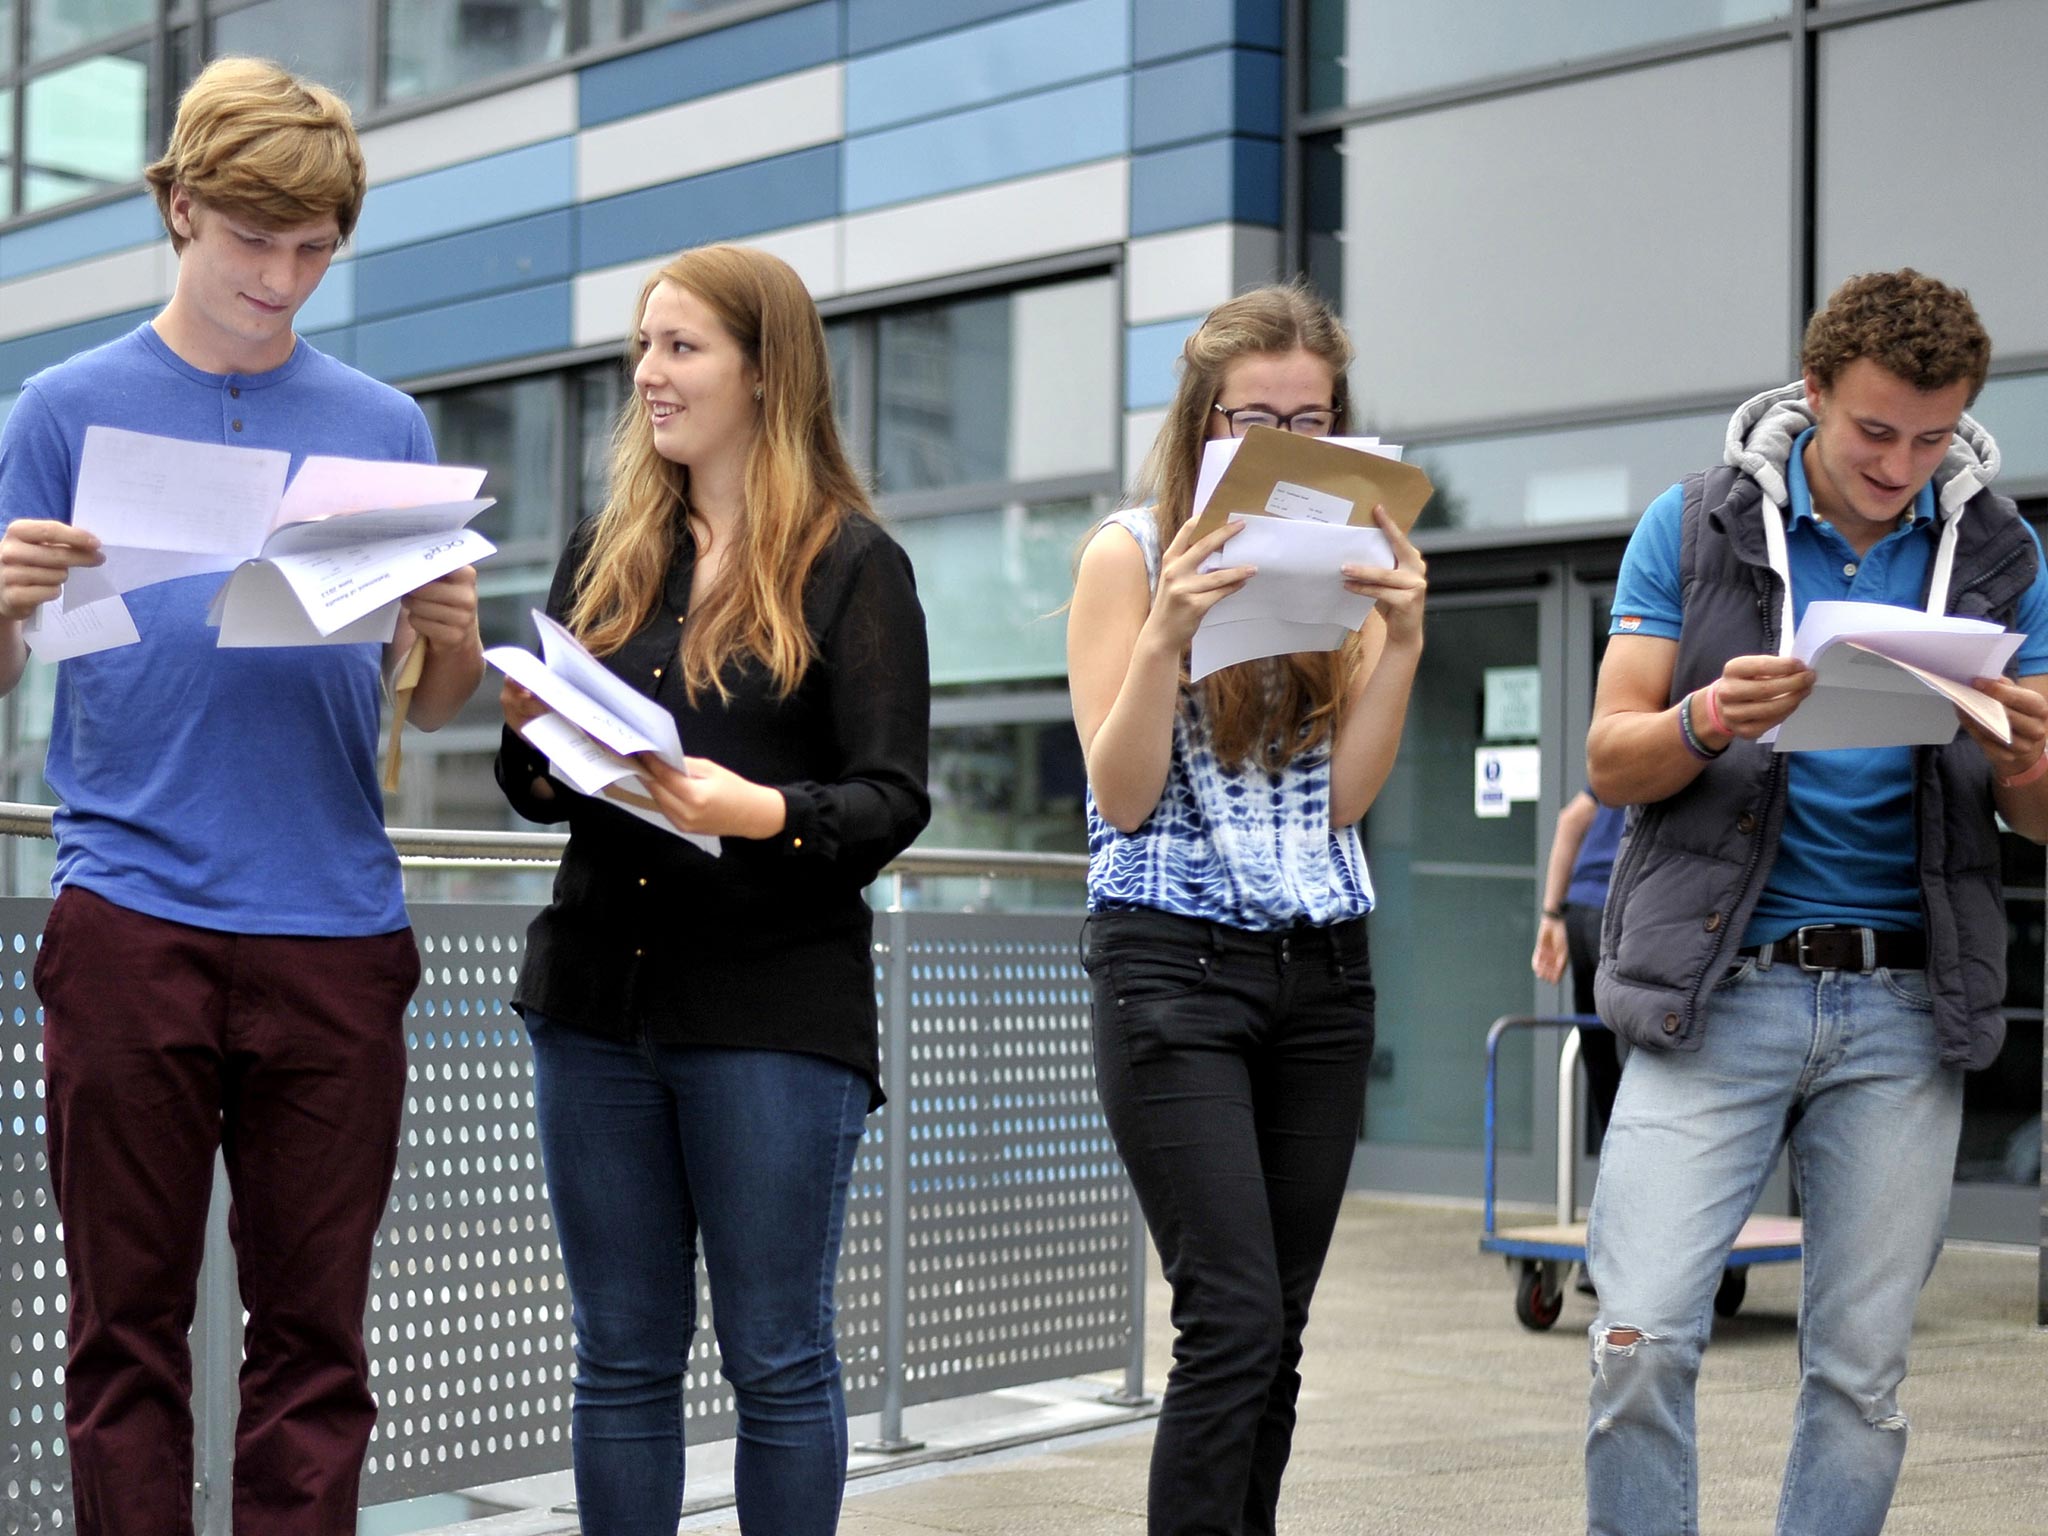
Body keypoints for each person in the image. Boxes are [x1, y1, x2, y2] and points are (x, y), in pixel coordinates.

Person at [0, 58, 484, 1535]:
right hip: (131, 916)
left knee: (316, 1348)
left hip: (333, 927)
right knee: (121, 1335)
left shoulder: (385, 426)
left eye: (314, 250)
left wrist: (451, 647)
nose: (281, 280)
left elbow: (425, 700)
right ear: (180, 208)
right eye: (253, 243)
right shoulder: (60, 408)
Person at [1584, 268, 2048, 1536]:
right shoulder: (1691, 526)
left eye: (1932, 435)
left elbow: (2039, 815)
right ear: (1811, 397)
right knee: (1632, 1341)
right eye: (1872, 430)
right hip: (1715, 993)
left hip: (1906, 1003)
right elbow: (1609, 757)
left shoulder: (2002, 553)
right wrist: (1704, 715)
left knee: (1859, 1385)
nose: (1900, 463)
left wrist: (2024, 754)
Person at [495, 243, 930, 1536]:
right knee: (620, 1357)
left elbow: (893, 798)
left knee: (775, 1358)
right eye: (645, 346)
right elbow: (543, 795)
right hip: (595, 1003)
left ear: (763, 369)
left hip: (771, 1016)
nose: (648, 375)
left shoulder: (854, 565)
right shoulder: (608, 548)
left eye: (679, 348)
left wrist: (761, 815)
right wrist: (535, 734)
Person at [1065, 283, 1427, 1536]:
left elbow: (1344, 804)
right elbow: (1118, 797)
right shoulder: (1127, 552)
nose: (1283, 440)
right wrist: (1166, 634)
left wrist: (1405, 639)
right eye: (1254, 417)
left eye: (1311, 416)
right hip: (1171, 961)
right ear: (1202, 419)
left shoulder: (1346, 562)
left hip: (1322, 964)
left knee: (1276, 1326)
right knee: (1228, 1318)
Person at [1531, 787, 1627, 1145]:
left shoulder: (1624, 751)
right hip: (1622, 907)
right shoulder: (1680, 746)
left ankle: (1614, 1163)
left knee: (1599, 1051)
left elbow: (1571, 819)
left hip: (1581, 908)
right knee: (1642, 1050)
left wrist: (1551, 915)